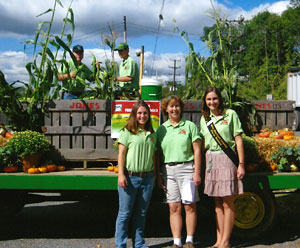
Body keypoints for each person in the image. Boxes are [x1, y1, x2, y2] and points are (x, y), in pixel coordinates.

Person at [199, 86, 245, 248]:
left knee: (227, 202)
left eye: (215, 98)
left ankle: (226, 241)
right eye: (209, 99)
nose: (212, 102)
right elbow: (203, 143)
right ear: (205, 101)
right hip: (211, 160)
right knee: (217, 203)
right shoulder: (204, 119)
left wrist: (240, 164)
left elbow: (238, 139)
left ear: (220, 99)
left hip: (227, 160)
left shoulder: (230, 114)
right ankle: (218, 241)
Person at [156, 95, 201, 248]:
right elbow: (157, 154)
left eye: (177, 106)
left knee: (189, 206)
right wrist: (159, 175)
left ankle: (189, 240)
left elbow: (197, 151)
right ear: (166, 109)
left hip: (187, 169)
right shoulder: (162, 129)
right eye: (171, 106)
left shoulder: (189, 126)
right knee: (173, 207)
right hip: (168, 171)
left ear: (181, 108)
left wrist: (197, 172)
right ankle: (177, 242)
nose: (174, 109)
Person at [114, 100, 157, 248]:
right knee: (125, 214)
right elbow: (121, 154)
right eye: (139, 113)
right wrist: (121, 174)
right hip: (130, 178)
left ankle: (139, 244)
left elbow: (153, 156)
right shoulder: (127, 131)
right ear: (134, 114)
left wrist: (155, 176)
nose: (142, 116)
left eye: (145, 113)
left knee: (141, 214)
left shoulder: (152, 134)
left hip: (147, 178)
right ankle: (121, 244)